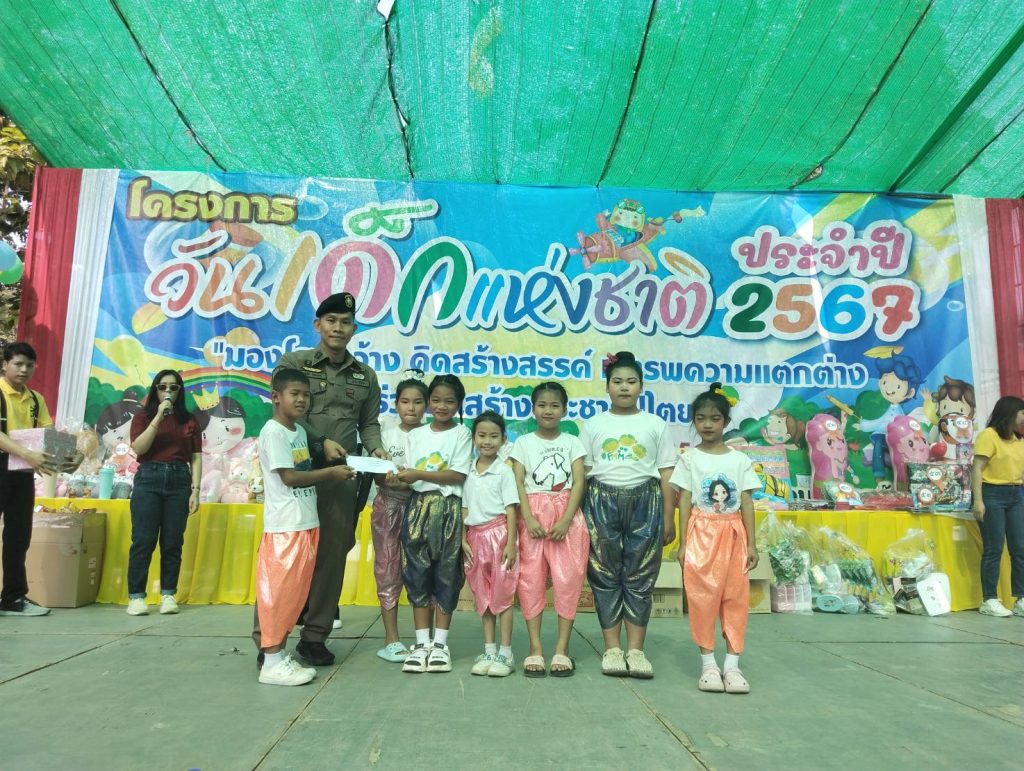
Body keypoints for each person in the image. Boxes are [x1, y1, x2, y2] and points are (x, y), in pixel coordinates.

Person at [265, 291, 386, 667]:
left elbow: (368, 423)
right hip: (298, 475)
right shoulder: (295, 363)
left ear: (354, 329)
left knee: (332, 557)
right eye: (331, 321)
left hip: (341, 479)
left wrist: (377, 449)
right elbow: (286, 414)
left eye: (346, 322)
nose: (338, 328)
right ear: (318, 325)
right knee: (286, 558)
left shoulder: (365, 375)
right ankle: (271, 641)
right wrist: (320, 441)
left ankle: (314, 637)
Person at [579, 352, 677, 678]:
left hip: (645, 501)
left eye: (631, 382)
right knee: (603, 574)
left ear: (641, 387)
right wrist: (578, 515)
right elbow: (583, 474)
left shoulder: (655, 424)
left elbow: (666, 472)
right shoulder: (594, 425)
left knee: (640, 575)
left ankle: (636, 651)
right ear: (607, 387)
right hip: (600, 501)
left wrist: (668, 516)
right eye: (617, 382)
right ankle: (612, 649)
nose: (624, 387)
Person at [255, 369, 355, 686]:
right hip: (285, 527)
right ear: (276, 397)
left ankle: (280, 656)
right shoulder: (273, 432)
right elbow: (289, 476)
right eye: (294, 394)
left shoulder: (297, 430)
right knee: (279, 595)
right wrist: (331, 474)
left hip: (306, 523)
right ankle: (271, 662)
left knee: (295, 597)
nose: (301, 400)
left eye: (306, 395)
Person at [670, 383, 760, 694]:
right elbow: (684, 501)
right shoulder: (689, 459)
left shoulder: (739, 460)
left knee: (736, 598)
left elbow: (746, 501)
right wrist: (683, 544)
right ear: (694, 421)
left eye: (715, 418)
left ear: (726, 421)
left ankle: (732, 666)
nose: (707, 424)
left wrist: (752, 544)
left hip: (733, 534)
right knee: (702, 599)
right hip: (701, 534)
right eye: (701, 418)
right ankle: (708, 664)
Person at [510, 381, 588, 677]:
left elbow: (578, 481)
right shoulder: (523, 443)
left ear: (564, 410)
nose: (548, 410)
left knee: (569, 580)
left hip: (565, 516)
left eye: (555, 405)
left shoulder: (572, 442)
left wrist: (566, 519)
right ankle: (535, 649)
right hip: (532, 516)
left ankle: (562, 649)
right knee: (530, 580)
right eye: (542, 405)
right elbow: (518, 482)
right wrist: (528, 517)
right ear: (533, 408)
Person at [396, 374, 473, 674]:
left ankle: (440, 644)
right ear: (429, 402)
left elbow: (458, 475)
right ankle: (421, 644)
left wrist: (418, 474)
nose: (442, 406)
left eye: (449, 401)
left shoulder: (462, 434)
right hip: (417, 507)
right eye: (436, 400)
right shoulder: (415, 435)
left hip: (449, 508)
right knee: (416, 572)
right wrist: (397, 476)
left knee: (447, 573)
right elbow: (408, 474)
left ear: (459, 404)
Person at [125, 370, 202, 615]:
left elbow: (196, 457)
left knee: (172, 542)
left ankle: (168, 594)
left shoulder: (189, 420)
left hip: (180, 480)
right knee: (143, 540)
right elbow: (139, 447)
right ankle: (136, 597)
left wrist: (196, 490)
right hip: (149, 477)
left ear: (180, 391)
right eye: (163, 387)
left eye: (173, 387)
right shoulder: (142, 417)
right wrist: (158, 416)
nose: (168, 391)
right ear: (155, 389)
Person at [370, 374, 428, 663]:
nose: (411, 408)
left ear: (427, 405)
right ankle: (391, 639)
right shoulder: (385, 432)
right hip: (389, 507)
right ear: (396, 404)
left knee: (423, 569)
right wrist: (386, 478)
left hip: (423, 507)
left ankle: (425, 639)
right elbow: (375, 471)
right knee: (388, 567)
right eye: (405, 401)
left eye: (418, 402)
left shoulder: (431, 435)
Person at [0, 342, 57, 617]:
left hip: (22, 471)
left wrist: (69, 456)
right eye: (18, 364)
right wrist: (27, 454)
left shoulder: (36, 399)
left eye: (29, 365)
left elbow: (48, 433)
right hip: (10, 460)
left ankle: (13, 597)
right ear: (5, 365)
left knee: (18, 535)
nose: (24, 370)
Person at [462, 411, 520, 678]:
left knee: (503, 596)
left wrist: (510, 543)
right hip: (475, 538)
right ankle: (488, 650)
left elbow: (511, 509)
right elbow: (465, 509)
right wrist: (463, 538)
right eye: (482, 435)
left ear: (503, 439)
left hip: (499, 536)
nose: (487, 441)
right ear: (474, 438)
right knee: (483, 597)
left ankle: (505, 652)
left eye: (494, 436)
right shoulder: (468, 472)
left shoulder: (504, 471)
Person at [971, 395, 1024, 618]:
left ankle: (1020, 599)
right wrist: (978, 500)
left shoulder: (1019, 440)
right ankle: (989, 599)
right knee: (994, 549)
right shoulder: (989, 435)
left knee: (1019, 548)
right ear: (1010, 413)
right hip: (992, 494)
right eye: (1022, 412)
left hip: (1016, 495)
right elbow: (977, 468)